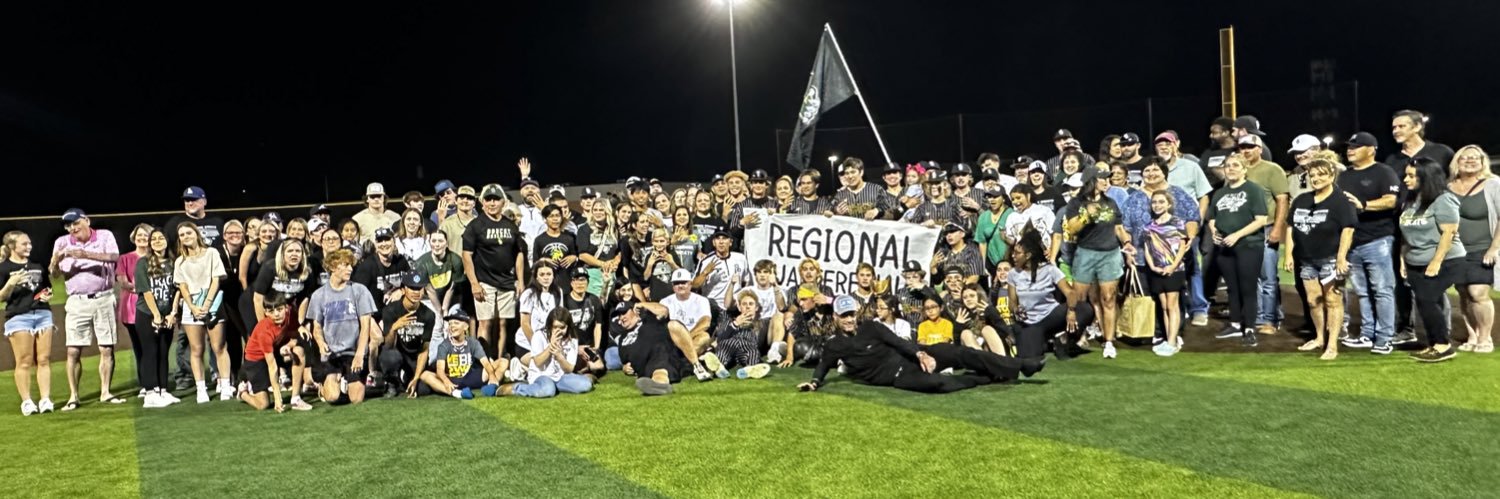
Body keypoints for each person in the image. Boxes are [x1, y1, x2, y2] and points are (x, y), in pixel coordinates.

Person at [797, 295, 1043, 394]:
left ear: (857, 313)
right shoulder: (834, 346)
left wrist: (921, 355)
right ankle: (989, 377)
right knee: (941, 384)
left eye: (852, 314)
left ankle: (1022, 365)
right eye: (844, 316)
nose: (849, 319)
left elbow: (898, 341)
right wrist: (814, 382)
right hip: (898, 377)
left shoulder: (871, 327)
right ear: (836, 318)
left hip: (911, 357)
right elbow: (823, 366)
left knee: (960, 352)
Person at [1282, 158, 1356, 361]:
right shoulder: (1301, 200)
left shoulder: (1341, 201)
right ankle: (1319, 338)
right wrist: (1289, 254)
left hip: (1330, 259)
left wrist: (1341, 258)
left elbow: (1347, 231)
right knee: (1313, 301)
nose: (1316, 179)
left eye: (1321, 174)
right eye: (1312, 175)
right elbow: (1290, 228)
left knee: (1332, 300)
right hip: (1306, 259)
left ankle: (1332, 345)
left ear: (1332, 176)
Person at [51, 209, 124, 410]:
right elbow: (55, 274)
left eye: (75, 223)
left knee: (106, 347)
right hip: (77, 301)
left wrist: (85, 255)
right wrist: (55, 263)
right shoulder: (61, 242)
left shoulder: (104, 235)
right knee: (73, 350)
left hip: (103, 297)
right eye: (68, 225)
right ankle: (73, 396)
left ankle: (105, 392)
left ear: (87, 221)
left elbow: (114, 256)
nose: (72, 228)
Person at [1057, 168, 1132, 358]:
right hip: (1085, 254)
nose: (1107, 181)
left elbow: (1119, 228)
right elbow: (1072, 229)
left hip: (1110, 254)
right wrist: (1086, 216)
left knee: (1108, 298)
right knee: (1080, 299)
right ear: (1091, 181)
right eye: (1102, 179)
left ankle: (1109, 342)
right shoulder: (1076, 203)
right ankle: (1076, 337)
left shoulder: (1111, 202)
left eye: (1108, 178)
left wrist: (1127, 243)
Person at [1338, 132, 1402, 354]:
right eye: (1349, 146)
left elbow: (1391, 200)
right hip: (1352, 240)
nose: (1350, 149)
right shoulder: (1344, 176)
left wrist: (1363, 205)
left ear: (1371, 149)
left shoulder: (1383, 172)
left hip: (1378, 239)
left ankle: (1385, 337)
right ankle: (1367, 334)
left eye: (1356, 146)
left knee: (1382, 290)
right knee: (1363, 292)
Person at [1399, 157, 1465, 362]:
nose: (1405, 180)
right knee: (1425, 301)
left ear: (1425, 177)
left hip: (1446, 260)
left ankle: (1443, 346)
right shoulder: (1411, 200)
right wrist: (1403, 260)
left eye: (1411, 175)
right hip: (1415, 260)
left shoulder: (1443, 199)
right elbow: (1405, 234)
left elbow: (1449, 233)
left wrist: (1435, 262)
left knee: (1427, 300)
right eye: (1406, 174)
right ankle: (1434, 342)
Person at [1208, 156, 1270, 346]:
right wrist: (1213, 232)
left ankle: (1249, 328)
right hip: (1225, 246)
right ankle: (1235, 324)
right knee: (1232, 288)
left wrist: (1237, 235)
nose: (1231, 169)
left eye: (1236, 165)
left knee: (1248, 288)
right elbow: (1212, 218)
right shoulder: (1219, 193)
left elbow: (1261, 219)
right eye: (1227, 166)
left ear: (1244, 169)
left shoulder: (1254, 190)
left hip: (1249, 245)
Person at [1004, 228, 1095, 359]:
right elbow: (1012, 302)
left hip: (1051, 315)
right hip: (1029, 321)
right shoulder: (1013, 274)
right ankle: (1049, 342)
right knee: (1028, 357)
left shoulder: (1050, 270)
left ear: (1028, 255)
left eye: (1017, 253)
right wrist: (1015, 309)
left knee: (1085, 309)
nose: (1013, 256)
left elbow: (1070, 293)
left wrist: (1071, 311)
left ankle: (1066, 339)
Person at [462, 184, 526, 357]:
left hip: (507, 281)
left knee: (504, 323)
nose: (492, 203)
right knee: (485, 323)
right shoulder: (475, 226)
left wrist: (520, 281)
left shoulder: (511, 226)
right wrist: (474, 283)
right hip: (484, 282)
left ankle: (499, 358)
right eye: (488, 199)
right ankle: (485, 362)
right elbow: (466, 256)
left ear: (503, 202)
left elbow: (519, 253)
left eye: (495, 199)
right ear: (482, 203)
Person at [308, 249, 377, 404]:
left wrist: (360, 354)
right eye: (345, 265)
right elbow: (316, 326)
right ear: (333, 267)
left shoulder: (360, 291)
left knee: (357, 399)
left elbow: (365, 326)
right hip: (332, 353)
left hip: (353, 352)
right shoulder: (318, 295)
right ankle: (328, 383)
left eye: (351, 265)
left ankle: (347, 380)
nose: (350, 269)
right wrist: (320, 343)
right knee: (332, 397)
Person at [173, 220, 232, 403]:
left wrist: (207, 304)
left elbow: (216, 279)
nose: (185, 237)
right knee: (197, 349)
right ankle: (201, 389)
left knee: (219, 347)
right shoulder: (180, 261)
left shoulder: (211, 253)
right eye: (182, 235)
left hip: (213, 302)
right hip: (192, 306)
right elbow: (182, 287)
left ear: (196, 234)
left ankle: (225, 385)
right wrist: (192, 307)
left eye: (188, 233)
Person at [1448, 146, 1500, 353]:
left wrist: (1494, 248)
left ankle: (1485, 338)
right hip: (1457, 250)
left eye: (1475, 157)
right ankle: (1472, 335)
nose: (1470, 161)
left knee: (1477, 292)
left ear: (1483, 161)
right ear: (1457, 162)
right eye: (1465, 157)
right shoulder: (1448, 187)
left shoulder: (1493, 184)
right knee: (1462, 292)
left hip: (1483, 248)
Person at [1239, 135, 1291, 335]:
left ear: (1259, 149)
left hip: (1266, 228)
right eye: (1243, 147)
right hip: (1244, 231)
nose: (1246, 150)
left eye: (1250, 147)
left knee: (1267, 277)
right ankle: (1259, 317)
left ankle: (1270, 320)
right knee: (1251, 278)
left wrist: (1278, 228)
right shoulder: (1237, 170)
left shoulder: (1272, 169)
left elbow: (1282, 200)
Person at [3, 231, 58, 415]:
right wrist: (11, 283)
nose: (29, 247)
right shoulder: (3, 268)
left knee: (43, 359)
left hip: (43, 314)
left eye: (29, 243)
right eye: (24, 244)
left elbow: (47, 289)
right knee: (24, 360)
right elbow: (1, 297)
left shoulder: (37, 265)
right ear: (12, 246)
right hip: (19, 316)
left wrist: (47, 295)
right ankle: (27, 402)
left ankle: (45, 400)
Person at [131, 229, 181, 408]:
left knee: (163, 351)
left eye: (161, 238)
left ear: (167, 241)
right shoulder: (143, 263)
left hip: (166, 314)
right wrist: (157, 315)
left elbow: (178, 289)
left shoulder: (174, 262)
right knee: (150, 351)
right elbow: (146, 291)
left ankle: (163, 390)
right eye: (154, 239)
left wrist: (172, 313)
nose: (158, 241)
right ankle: (150, 393)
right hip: (147, 314)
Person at [239, 294, 313, 411]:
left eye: (279, 309)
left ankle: (296, 399)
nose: (276, 314)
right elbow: (272, 366)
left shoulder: (289, 314)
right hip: (256, 360)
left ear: (286, 308)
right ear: (265, 313)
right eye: (271, 311)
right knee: (263, 404)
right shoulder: (265, 330)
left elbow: (294, 333)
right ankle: (242, 392)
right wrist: (278, 398)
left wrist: (292, 341)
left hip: (275, 350)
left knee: (299, 351)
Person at [500, 308, 595, 397]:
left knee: (586, 385)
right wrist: (550, 347)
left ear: (568, 327)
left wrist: (559, 356)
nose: (559, 331)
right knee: (548, 390)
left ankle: (580, 380)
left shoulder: (572, 340)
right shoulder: (539, 336)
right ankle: (515, 388)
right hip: (541, 375)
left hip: (561, 376)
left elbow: (569, 369)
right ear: (550, 326)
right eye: (555, 327)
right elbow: (538, 362)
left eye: (562, 328)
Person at [1144, 191, 1192, 356]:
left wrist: (1172, 266)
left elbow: (1182, 247)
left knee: (1172, 305)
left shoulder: (1177, 223)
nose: (1157, 205)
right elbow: (1147, 249)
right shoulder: (1149, 225)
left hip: (1175, 270)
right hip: (1157, 270)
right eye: (1154, 202)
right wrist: (1152, 266)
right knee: (1163, 306)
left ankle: (1172, 341)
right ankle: (1167, 338)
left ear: (1168, 204)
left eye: (1161, 202)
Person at [421, 308, 506, 399]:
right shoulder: (444, 346)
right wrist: (446, 381)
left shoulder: (473, 343)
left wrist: (492, 376)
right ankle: (456, 393)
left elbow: (485, 363)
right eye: (450, 324)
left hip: (472, 376)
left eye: (456, 323)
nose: (452, 326)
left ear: (466, 327)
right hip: (453, 380)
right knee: (425, 375)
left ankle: (492, 387)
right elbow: (440, 370)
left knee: (503, 362)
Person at [376, 273, 436, 398]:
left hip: (414, 356)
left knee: (424, 390)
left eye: (419, 288)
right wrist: (394, 328)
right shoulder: (390, 310)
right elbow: (388, 345)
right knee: (390, 356)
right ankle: (392, 382)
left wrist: (416, 377)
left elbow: (424, 349)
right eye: (412, 288)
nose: (416, 292)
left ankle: (406, 379)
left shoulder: (429, 315)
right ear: (403, 290)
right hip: (396, 353)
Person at [116, 224, 152, 397]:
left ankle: (156, 381)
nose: (142, 238)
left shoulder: (155, 257)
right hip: (132, 306)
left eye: (146, 235)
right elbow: (123, 282)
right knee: (140, 347)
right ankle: (145, 384)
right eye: (139, 235)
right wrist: (144, 289)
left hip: (154, 305)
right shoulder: (125, 258)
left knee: (153, 346)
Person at [661, 268, 715, 381]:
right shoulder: (665, 302)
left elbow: (706, 322)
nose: (680, 286)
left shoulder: (701, 300)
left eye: (683, 282)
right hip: (673, 342)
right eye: (676, 283)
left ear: (690, 284)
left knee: (705, 337)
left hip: (693, 338)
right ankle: (695, 363)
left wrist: (686, 338)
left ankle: (683, 365)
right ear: (672, 286)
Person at [708, 290, 774, 379]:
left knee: (753, 351)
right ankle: (719, 367)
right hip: (729, 346)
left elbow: (763, 341)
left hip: (748, 347)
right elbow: (720, 339)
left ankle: (749, 369)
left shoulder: (762, 323)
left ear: (756, 307)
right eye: (744, 304)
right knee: (724, 347)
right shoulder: (729, 322)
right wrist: (735, 324)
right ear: (739, 307)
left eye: (751, 304)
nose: (747, 307)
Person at [354, 228, 412, 309]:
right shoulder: (367, 266)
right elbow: (358, 295)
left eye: (387, 239)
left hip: (399, 312)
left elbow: (414, 286)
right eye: (380, 241)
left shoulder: (401, 261)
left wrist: (402, 291)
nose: (384, 244)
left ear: (394, 242)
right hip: (375, 315)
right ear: (375, 245)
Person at [518, 265, 564, 363]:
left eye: (549, 274)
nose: (546, 277)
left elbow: (560, 320)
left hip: (550, 342)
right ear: (536, 277)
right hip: (527, 344)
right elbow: (525, 324)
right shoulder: (528, 294)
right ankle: (518, 366)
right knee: (545, 364)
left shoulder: (558, 292)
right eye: (542, 274)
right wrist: (537, 346)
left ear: (553, 276)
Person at [578, 197, 621, 297]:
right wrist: (603, 264)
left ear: (607, 211)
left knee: (611, 305)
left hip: (611, 273)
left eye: (601, 210)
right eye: (595, 210)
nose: (598, 212)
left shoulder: (614, 229)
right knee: (596, 305)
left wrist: (616, 262)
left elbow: (619, 251)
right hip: (593, 274)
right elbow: (582, 255)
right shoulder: (584, 229)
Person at [415, 230, 465, 316]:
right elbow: (430, 291)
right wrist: (439, 312)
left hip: (451, 297)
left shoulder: (455, 260)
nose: (437, 245)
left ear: (446, 243)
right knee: (435, 320)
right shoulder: (421, 263)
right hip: (429, 299)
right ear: (429, 243)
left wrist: (444, 309)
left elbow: (452, 288)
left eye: (441, 241)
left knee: (452, 318)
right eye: (433, 241)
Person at [692, 231, 749, 307]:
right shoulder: (706, 261)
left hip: (735, 304)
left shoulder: (740, 258)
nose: (721, 242)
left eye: (724, 238)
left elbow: (746, 281)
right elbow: (694, 285)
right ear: (713, 242)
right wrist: (705, 272)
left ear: (730, 242)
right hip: (714, 305)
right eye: (718, 239)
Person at [562, 267, 605, 352]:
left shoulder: (594, 300)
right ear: (571, 283)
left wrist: (596, 348)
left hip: (589, 347)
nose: (579, 283)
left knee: (597, 365)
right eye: (576, 280)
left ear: (588, 282)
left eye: (582, 280)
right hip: (569, 347)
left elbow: (598, 326)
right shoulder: (563, 300)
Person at [533, 205, 579, 274]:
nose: (555, 219)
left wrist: (574, 257)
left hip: (567, 279)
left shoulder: (569, 238)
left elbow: (577, 256)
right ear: (545, 219)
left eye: (557, 216)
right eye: (551, 216)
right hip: (548, 280)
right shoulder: (539, 240)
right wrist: (543, 260)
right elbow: (535, 263)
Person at [974, 189, 1013, 272]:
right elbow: (982, 242)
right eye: (989, 197)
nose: (992, 199)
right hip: (992, 263)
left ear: (1003, 198)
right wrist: (983, 265)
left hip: (1011, 261)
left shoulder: (1011, 214)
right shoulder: (984, 216)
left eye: (995, 197)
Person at [438, 185, 478, 254]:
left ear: (474, 203)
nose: (465, 201)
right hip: (454, 263)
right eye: (462, 198)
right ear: (456, 201)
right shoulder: (447, 223)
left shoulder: (480, 223)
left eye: (469, 198)